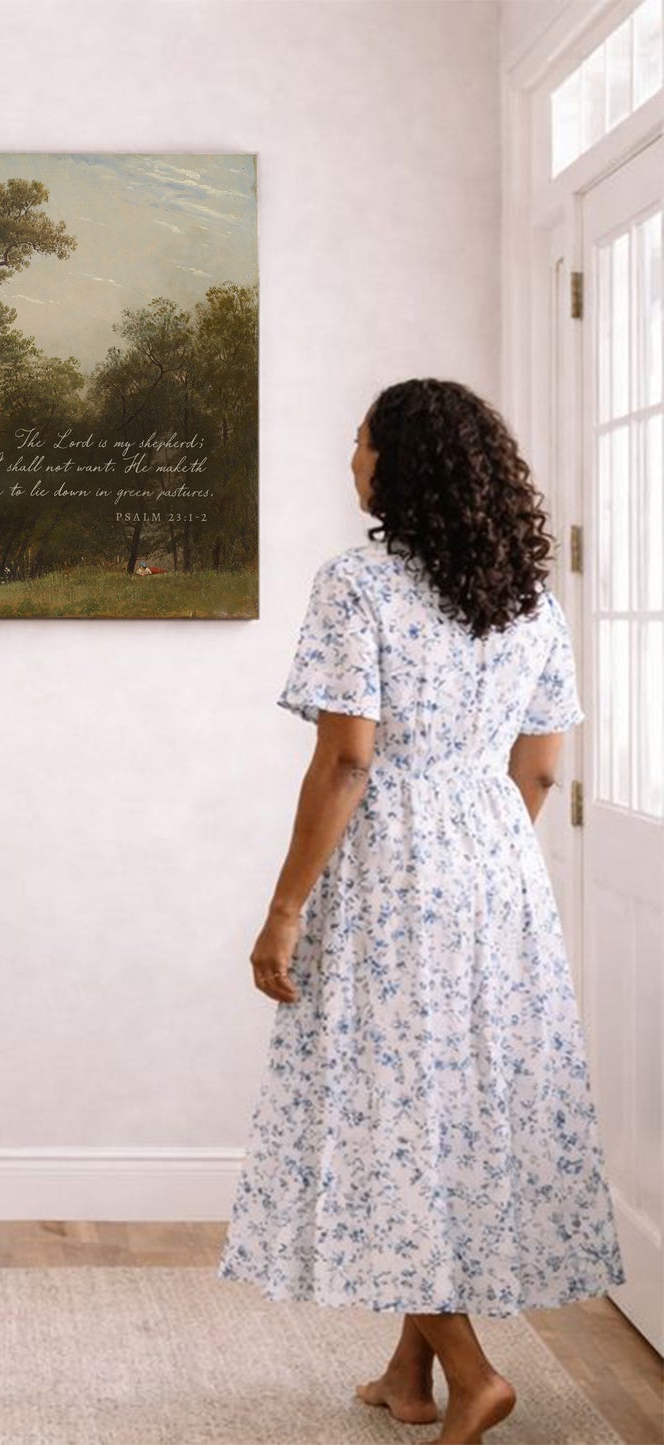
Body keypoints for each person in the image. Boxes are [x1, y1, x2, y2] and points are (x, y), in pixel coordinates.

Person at [216, 378, 626, 1445]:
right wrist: (482, 857)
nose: (349, 457)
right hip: (496, 865)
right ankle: (409, 1371)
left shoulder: (355, 583)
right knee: (440, 1111)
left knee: (381, 1111)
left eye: (358, 441)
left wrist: (283, 906)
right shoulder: (528, 594)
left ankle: (474, 1371)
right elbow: (537, 768)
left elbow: (347, 758)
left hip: (388, 866)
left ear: (397, 464)